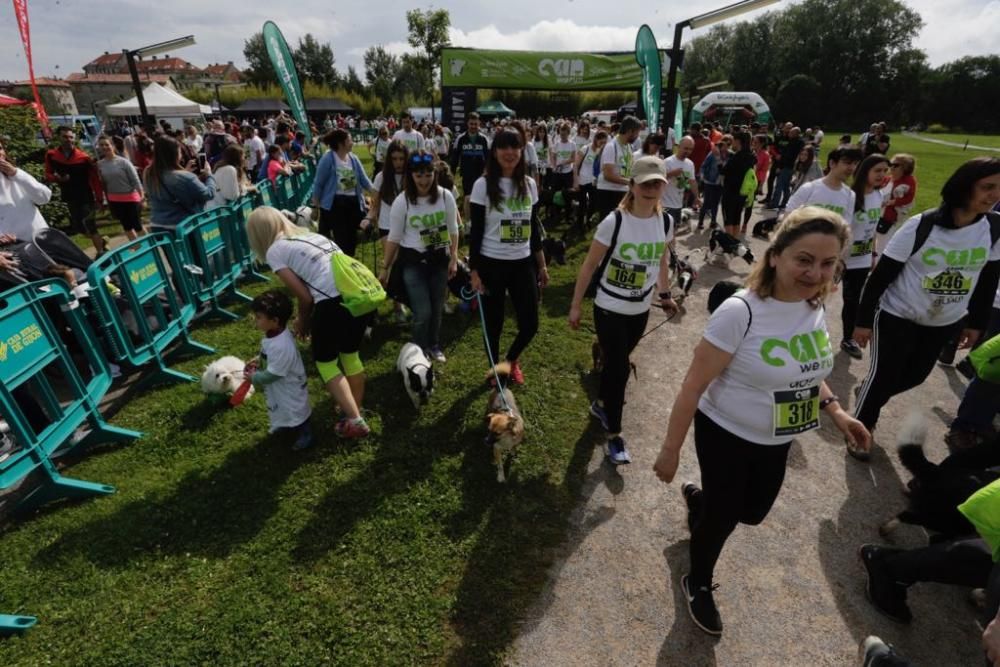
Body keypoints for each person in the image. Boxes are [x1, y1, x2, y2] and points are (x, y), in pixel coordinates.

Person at [653, 207, 870, 636]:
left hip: (777, 439)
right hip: (727, 433)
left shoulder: (814, 304)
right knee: (724, 518)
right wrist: (670, 450)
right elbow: (692, 386)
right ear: (776, 255)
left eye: (828, 263)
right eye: (804, 259)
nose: (815, 272)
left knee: (751, 513)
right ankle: (696, 580)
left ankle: (703, 502)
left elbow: (807, 370)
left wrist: (837, 411)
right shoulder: (741, 313)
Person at [852, 157, 1000, 459]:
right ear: (964, 186)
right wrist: (863, 322)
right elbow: (879, 279)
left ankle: (870, 396)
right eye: (987, 187)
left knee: (915, 376)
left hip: (944, 321)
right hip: (898, 315)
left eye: (999, 189)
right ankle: (860, 430)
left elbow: (987, 280)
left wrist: (976, 324)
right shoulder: (922, 226)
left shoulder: (994, 229)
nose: (994, 195)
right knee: (883, 376)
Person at [568, 156, 678, 464]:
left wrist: (665, 293)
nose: (651, 189)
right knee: (619, 367)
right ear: (632, 185)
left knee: (617, 364)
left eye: (657, 183)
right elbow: (589, 266)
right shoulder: (613, 222)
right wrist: (576, 306)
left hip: (640, 310)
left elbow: (661, 260)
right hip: (609, 307)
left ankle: (602, 403)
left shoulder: (665, 221)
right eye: (645, 183)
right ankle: (614, 435)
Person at [246, 207, 371, 439]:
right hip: (358, 293)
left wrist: (303, 321)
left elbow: (305, 296)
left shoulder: (275, 251)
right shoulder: (311, 234)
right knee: (349, 354)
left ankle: (354, 420)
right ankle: (355, 408)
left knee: (325, 363)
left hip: (332, 300)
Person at [468, 129, 550, 384]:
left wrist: (542, 265)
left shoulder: (529, 184)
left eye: (515, 147)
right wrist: (474, 271)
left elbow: (534, 228)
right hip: (491, 264)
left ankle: (509, 361)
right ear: (494, 152)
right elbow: (477, 230)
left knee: (530, 324)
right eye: (503, 147)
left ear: (522, 151)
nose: (510, 153)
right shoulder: (482, 185)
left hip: (522, 264)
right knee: (494, 325)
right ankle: (495, 370)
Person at [380, 151, 459, 361]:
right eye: (418, 175)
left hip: (439, 260)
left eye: (428, 174)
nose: (424, 180)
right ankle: (418, 349)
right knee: (422, 311)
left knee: (436, 307)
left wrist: (454, 257)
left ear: (434, 173)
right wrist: (385, 267)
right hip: (413, 262)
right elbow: (394, 237)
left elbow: (453, 229)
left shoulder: (445, 196)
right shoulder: (402, 201)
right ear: (411, 176)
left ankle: (433, 344)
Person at [245, 290, 313, 451]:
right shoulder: (274, 334)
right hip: (280, 386)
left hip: (288, 386)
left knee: (295, 409)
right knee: (281, 406)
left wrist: (254, 378)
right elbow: (269, 354)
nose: (256, 320)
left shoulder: (281, 345)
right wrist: (258, 360)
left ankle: (306, 433)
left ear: (274, 320)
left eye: (259, 317)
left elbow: (274, 374)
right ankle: (285, 423)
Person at [839, 154, 889, 359]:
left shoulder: (878, 196)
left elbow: (872, 228)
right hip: (840, 258)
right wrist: (837, 259)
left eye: (885, 171)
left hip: (862, 258)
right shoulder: (850, 197)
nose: (882, 175)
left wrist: (873, 253)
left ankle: (847, 338)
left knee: (852, 300)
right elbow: (841, 229)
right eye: (877, 170)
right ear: (864, 171)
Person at [312, 129, 375, 257]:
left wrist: (377, 194)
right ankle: (341, 263)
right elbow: (318, 184)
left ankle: (349, 260)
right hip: (336, 204)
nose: (352, 143)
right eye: (350, 140)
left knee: (352, 238)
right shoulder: (328, 159)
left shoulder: (354, 159)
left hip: (353, 203)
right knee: (341, 239)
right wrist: (315, 207)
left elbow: (364, 180)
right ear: (341, 143)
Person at [45, 126, 106, 254]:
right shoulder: (52, 155)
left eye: (71, 137)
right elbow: (48, 174)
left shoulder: (84, 158)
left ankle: (101, 252)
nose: (68, 140)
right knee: (79, 228)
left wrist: (100, 198)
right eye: (65, 137)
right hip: (69, 196)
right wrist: (57, 178)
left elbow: (94, 179)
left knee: (90, 225)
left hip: (86, 196)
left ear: (74, 139)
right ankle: (102, 242)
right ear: (59, 138)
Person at [144, 135, 216, 232]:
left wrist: (185, 172)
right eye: (180, 151)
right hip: (183, 227)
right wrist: (209, 175)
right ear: (175, 154)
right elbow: (208, 194)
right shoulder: (184, 177)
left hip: (158, 226)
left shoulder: (149, 173)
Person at [0, 137, 52, 241]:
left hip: (39, 239)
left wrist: (16, 174)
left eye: (0, 148)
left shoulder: (17, 176)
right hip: (10, 248)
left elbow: (44, 198)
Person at [95, 135, 144, 241]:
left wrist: (142, 197)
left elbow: (135, 180)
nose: (104, 147)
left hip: (131, 199)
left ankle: (150, 247)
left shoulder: (123, 162)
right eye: (101, 145)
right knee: (127, 227)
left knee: (137, 225)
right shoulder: (99, 164)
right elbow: (103, 184)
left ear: (112, 146)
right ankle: (137, 249)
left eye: (107, 144)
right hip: (115, 200)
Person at [595, 116, 642, 221]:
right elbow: (608, 175)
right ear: (630, 131)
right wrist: (630, 182)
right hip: (608, 192)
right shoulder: (611, 147)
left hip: (622, 190)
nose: (638, 136)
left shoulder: (628, 147)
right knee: (609, 226)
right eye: (637, 133)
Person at [873, 154, 918, 258]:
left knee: (882, 243)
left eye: (896, 165)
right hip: (876, 214)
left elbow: (908, 199)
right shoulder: (887, 179)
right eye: (891, 164)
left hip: (889, 217)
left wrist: (892, 202)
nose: (891, 167)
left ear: (905, 168)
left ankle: (878, 264)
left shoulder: (908, 181)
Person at [450, 112, 490, 220]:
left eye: (475, 124)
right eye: (471, 124)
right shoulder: (460, 139)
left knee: (481, 199)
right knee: (468, 198)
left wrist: (488, 173)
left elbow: (489, 159)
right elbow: (454, 159)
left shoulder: (484, 139)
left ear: (479, 124)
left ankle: (480, 220)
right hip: (467, 174)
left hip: (481, 175)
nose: (473, 126)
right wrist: (451, 176)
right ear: (467, 123)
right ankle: (468, 224)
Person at [720, 131, 756, 237]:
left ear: (738, 141)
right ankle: (735, 243)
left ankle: (729, 245)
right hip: (742, 192)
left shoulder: (735, 158)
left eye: (733, 141)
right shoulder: (751, 156)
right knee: (736, 218)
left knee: (728, 220)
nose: (732, 143)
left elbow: (723, 171)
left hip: (730, 192)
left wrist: (719, 158)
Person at [573, 130, 609, 229]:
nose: (603, 144)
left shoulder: (602, 152)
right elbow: (575, 165)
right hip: (582, 181)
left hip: (594, 182)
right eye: (601, 142)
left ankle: (588, 220)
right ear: (596, 139)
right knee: (582, 204)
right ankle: (579, 224)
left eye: (605, 143)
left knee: (593, 204)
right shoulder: (585, 149)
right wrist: (575, 181)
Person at [663, 136, 698, 232]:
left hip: (678, 204)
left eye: (690, 149)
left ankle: (670, 247)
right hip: (665, 204)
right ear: (679, 146)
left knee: (674, 231)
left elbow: (692, 181)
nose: (688, 151)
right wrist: (671, 174)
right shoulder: (668, 162)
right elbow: (658, 180)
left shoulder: (690, 164)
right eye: (686, 148)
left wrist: (697, 197)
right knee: (665, 231)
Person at [769, 126, 805, 211]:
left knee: (779, 185)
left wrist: (780, 166)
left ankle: (775, 204)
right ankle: (785, 203)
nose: (789, 133)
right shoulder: (801, 143)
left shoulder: (792, 143)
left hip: (786, 166)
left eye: (791, 132)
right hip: (793, 167)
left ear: (795, 134)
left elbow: (787, 156)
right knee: (786, 186)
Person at [549, 122, 578, 224]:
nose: (562, 136)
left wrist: (564, 162)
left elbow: (574, 158)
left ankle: (568, 216)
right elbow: (553, 156)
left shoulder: (572, 144)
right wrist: (553, 166)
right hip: (557, 173)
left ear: (568, 133)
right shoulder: (557, 144)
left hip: (567, 172)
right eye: (561, 134)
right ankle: (555, 214)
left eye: (564, 134)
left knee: (568, 195)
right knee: (555, 194)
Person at [210, 144, 254, 209]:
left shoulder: (226, 168)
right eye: (243, 157)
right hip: (219, 210)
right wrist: (248, 188)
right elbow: (233, 196)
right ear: (236, 158)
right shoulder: (229, 169)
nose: (244, 159)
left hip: (220, 209)